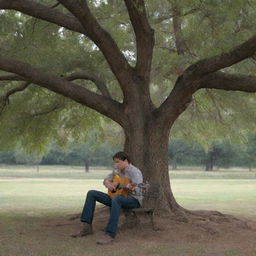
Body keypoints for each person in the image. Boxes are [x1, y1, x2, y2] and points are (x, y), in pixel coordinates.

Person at [71, 151, 143, 245]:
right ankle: (87, 227)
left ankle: (110, 234)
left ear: (126, 161)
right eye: (115, 162)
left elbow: (138, 190)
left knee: (116, 199)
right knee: (92, 193)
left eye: (118, 162)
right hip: (116, 198)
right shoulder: (116, 171)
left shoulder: (135, 172)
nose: (115, 164)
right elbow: (106, 179)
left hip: (133, 200)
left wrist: (128, 187)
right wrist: (108, 183)